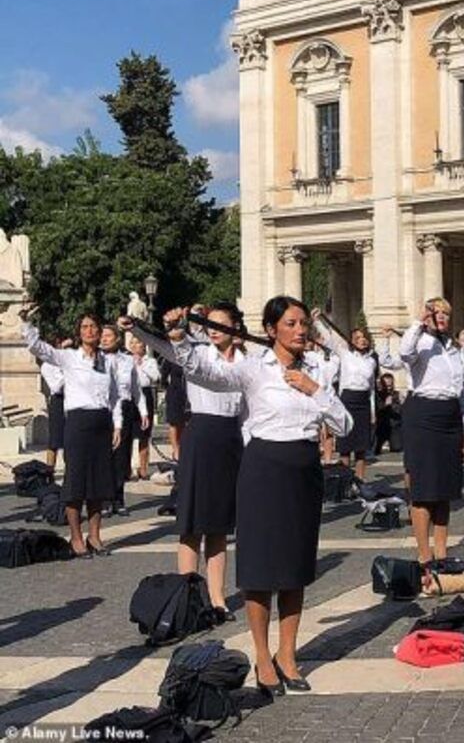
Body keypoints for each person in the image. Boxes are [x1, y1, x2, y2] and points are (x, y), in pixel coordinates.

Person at [166, 297, 350, 696]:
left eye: (304, 323)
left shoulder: (316, 368)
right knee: (261, 569)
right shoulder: (253, 367)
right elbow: (205, 372)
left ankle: (288, 654)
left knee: (295, 568)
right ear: (271, 330)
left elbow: (344, 423)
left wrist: (314, 389)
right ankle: (263, 655)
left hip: (304, 469)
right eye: (291, 323)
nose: (301, 330)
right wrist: (181, 338)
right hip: (263, 467)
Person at [124, 303, 246, 621]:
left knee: (219, 527)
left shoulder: (248, 361)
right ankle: (188, 595)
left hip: (232, 439)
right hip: (202, 435)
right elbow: (163, 345)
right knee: (192, 524)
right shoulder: (197, 352)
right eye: (210, 324)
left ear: (236, 326)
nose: (214, 329)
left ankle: (218, 598)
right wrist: (136, 327)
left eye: (222, 323)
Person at [22, 311, 123, 557]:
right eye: (85, 327)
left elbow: (115, 396)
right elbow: (38, 348)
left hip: (102, 422)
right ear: (79, 332)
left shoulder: (108, 362)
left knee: (99, 484)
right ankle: (76, 537)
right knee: (76, 482)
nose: (89, 330)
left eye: (93, 326)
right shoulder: (68, 357)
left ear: (100, 332)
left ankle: (95, 536)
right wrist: (27, 323)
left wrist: (117, 425)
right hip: (78, 422)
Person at [390, 298, 464, 570]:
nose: (442, 316)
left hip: (449, 414)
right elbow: (405, 354)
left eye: (447, 312)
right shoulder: (419, 341)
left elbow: (459, 389)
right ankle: (424, 555)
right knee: (423, 489)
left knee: (445, 489)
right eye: (438, 312)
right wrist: (418, 321)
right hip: (423, 412)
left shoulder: (451, 347)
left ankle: (442, 554)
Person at [313, 314, 377, 485]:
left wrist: (372, 411)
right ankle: (345, 483)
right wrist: (318, 321)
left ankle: (360, 481)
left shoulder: (371, 361)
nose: (362, 341)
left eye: (364, 338)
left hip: (363, 402)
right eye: (357, 338)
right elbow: (330, 339)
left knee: (361, 448)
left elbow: (371, 388)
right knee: (345, 447)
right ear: (352, 341)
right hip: (348, 400)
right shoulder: (345, 354)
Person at [100, 325, 148, 516]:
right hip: (105, 408)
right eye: (102, 336)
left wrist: (143, 411)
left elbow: (136, 388)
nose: (104, 339)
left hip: (125, 406)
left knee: (122, 454)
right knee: (105, 454)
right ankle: (104, 498)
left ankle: (118, 496)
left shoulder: (128, 360)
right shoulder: (96, 359)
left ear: (118, 339)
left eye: (108, 335)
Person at [129, 335, 161, 480]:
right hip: (130, 396)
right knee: (127, 434)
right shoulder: (125, 360)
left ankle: (143, 468)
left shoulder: (150, 361)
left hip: (145, 393)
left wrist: (141, 364)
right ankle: (126, 468)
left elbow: (155, 377)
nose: (136, 345)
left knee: (144, 435)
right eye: (133, 342)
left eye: (139, 342)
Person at [39, 340, 69, 471]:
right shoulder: (47, 366)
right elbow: (56, 387)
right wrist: (66, 374)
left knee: (72, 439)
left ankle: (71, 471)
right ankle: (49, 470)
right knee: (55, 439)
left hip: (74, 400)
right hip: (59, 400)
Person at [161, 355, 188, 461]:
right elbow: (163, 377)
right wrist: (170, 388)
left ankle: (184, 448)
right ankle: (176, 450)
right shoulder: (170, 356)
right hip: (175, 393)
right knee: (174, 423)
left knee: (186, 423)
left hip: (189, 393)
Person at [374, 373, 403, 454]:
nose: (388, 388)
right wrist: (385, 405)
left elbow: (399, 412)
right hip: (381, 426)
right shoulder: (378, 395)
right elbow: (376, 410)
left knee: (397, 448)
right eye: (386, 385)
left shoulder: (396, 394)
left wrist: (402, 403)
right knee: (376, 449)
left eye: (390, 385)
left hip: (394, 426)